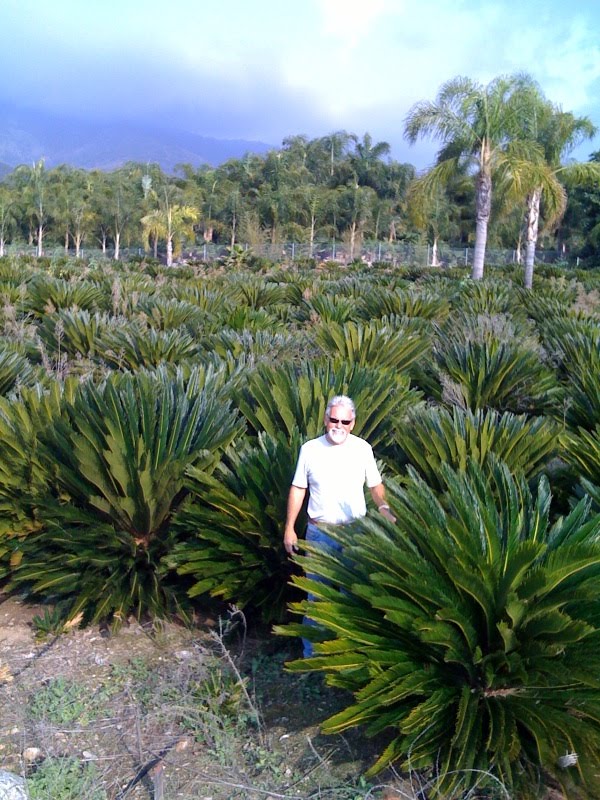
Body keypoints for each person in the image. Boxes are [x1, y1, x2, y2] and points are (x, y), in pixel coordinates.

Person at [283, 395, 395, 656]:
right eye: (334, 419)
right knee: (316, 596)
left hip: (355, 534)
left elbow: (375, 485)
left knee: (352, 594)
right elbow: (298, 488)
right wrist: (290, 527)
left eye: (345, 421)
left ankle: (348, 655)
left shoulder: (362, 449)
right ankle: (312, 657)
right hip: (319, 534)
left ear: (353, 423)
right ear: (326, 419)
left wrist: (384, 508)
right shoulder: (310, 450)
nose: (339, 426)